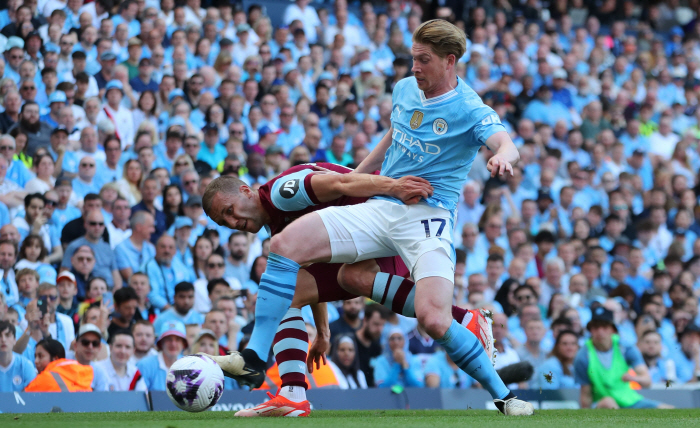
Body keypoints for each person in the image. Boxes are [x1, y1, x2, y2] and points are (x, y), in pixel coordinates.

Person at [204, 20, 528, 417]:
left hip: (428, 215)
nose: (414, 68)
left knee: (432, 319)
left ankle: (504, 396)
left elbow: (506, 143)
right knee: (284, 249)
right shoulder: (405, 89)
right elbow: (393, 137)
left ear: (450, 61)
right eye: (413, 59)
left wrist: (501, 158)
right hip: (381, 202)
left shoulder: (471, 109)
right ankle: (259, 361)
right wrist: (363, 177)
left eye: (423, 60)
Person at [574, 307, 672, 409]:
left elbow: (647, 382)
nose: (600, 332)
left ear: (612, 329)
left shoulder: (625, 348)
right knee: (609, 403)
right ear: (591, 330)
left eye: (604, 327)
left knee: (668, 410)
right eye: (596, 327)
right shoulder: (583, 356)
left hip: (629, 401)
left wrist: (633, 378)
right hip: (600, 404)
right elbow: (585, 395)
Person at [61, 209, 121, 290]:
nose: (97, 227)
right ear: (85, 224)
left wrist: (116, 292)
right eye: (93, 223)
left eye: (101, 224)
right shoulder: (74, 246)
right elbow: (64, 273)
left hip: (109, 291)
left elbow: (116, 276)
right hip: (87, 291)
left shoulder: (107, 247)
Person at [142, 234, 195, 310]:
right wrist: (172, 311)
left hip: (180, 308)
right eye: (163, 247)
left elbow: (188, 285)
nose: (167, 251)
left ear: (175, 251)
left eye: (170, 247)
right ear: (156, 248)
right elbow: (152, 295)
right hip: (157, 311)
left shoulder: (178, 264)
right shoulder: (148, 267)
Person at [136, 320, 188, 391]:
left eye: (178, 340)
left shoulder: (189, 366)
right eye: (169, 339)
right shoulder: (144, 365)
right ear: (161, 343)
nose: (173, 344)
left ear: (183, 344)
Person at [71, 323, 111, 391]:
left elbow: (102, 399)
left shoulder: (99, 372)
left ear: (99, 348)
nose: (90, 347)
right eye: (85, 342)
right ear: (75, 346)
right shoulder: (63, 361)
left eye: (95, 343)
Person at [0, 320, 35, 391]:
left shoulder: (25, 366)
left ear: (15, 340)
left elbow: (32, 397)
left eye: (7, 335)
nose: (3, 340)